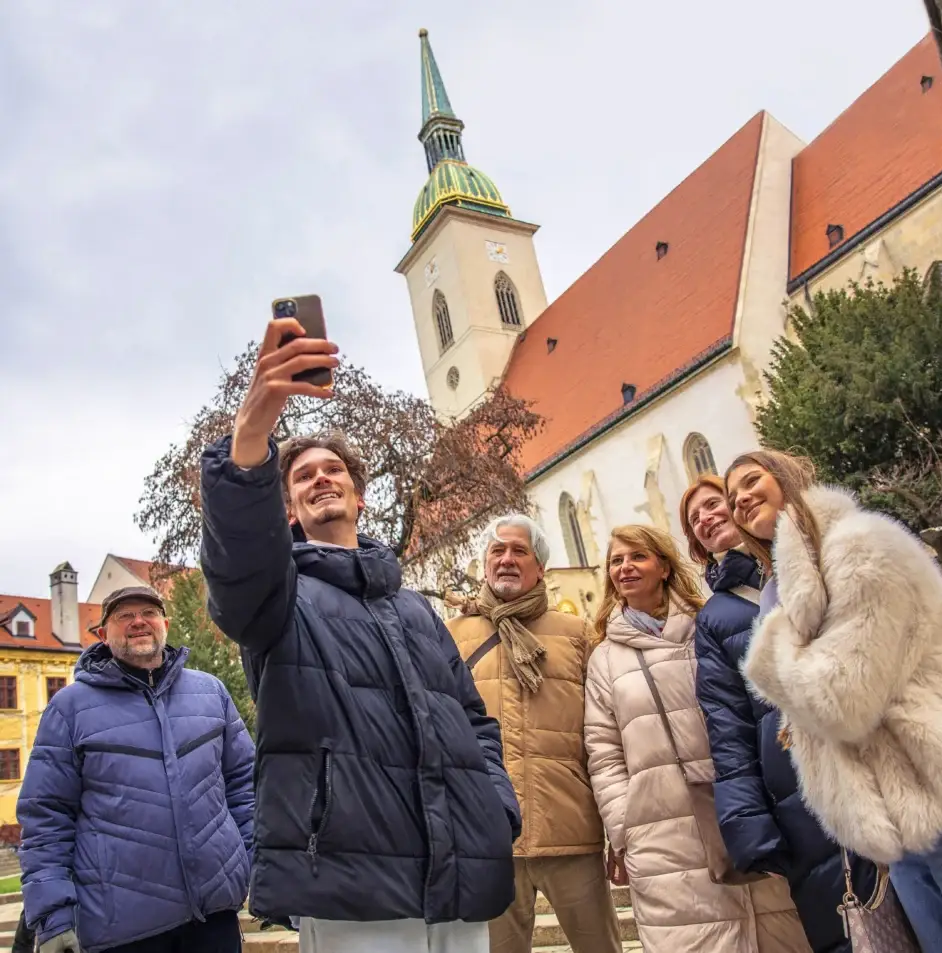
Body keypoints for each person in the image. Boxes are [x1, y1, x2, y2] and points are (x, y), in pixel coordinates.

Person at [199, 317, 520, 953]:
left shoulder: (415, 609)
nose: (320, 477)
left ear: (360, 496)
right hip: (349, 876)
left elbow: (474, 721)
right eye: (302, 476)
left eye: (333, 470)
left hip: (457, 869)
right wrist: (252, 433)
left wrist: (493, 807)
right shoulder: (279, 596)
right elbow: (238, 565)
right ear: (286, 508)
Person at [725, 449, 942, 953]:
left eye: (752, 481)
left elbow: (841, 700)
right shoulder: (792, 589)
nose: (741, 499)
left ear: (789, 477)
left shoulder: (860, 545)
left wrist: (769, 648)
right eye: (732, 498)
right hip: (902, 825)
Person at [584, 524, 809, 953]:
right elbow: (603, 751)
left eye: (637, 557)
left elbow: (752, 707)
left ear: (664, 567)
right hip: (660, 831)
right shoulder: (604, 659)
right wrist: (624, 826)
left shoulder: (708, 624)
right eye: (617, 561)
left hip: (740, 806)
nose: (626, 568)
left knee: (779, 932)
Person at [683, 476, 873, 953]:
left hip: (868, 755)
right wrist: (749, 823)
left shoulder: (811, 564)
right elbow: (728, 727)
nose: (707, 517)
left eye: (714, 504)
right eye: (694, 519)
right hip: (796, 786)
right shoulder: (716, 617)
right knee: (848, 925)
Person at [17, 585, 254, 953]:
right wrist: (53, 916)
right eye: (124, 616)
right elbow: (46, 817)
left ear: (165, 624)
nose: (138, 622)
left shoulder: (211, 693)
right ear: (102, 635)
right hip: (121, 930)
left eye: (148, 612)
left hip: (213, 920)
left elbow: (245, 787)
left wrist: (259, 868)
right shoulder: (69, 708)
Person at [447, 515, 621, 953]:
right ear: (484, 564)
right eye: (497, 551)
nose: (507, 559)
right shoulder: (450, 637)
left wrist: (617, 825)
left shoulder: (578, 635)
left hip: (572, 831)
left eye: (519, 551)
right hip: (489, 835)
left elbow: (606, 733)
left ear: (540, 567)